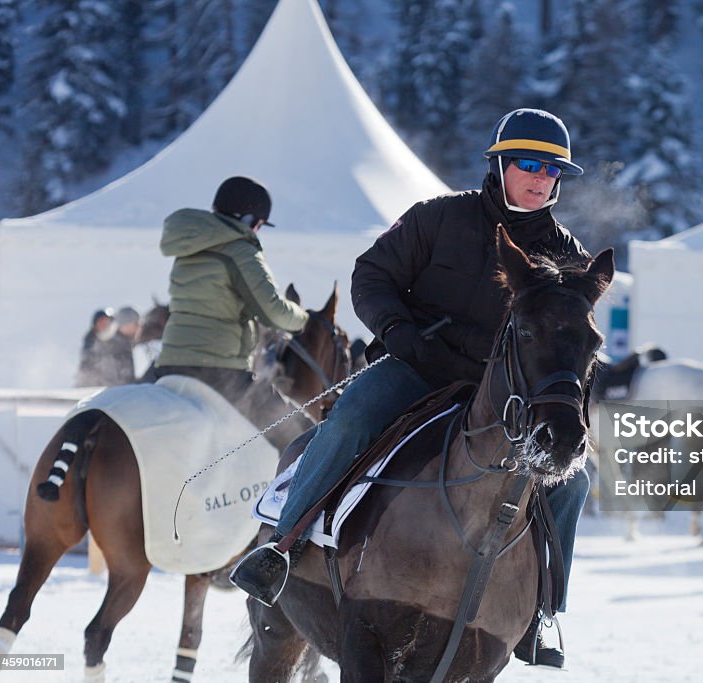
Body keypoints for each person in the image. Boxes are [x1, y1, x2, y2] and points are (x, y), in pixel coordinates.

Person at [231, 109, 591, 668]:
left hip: (500, 398)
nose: (541, 177)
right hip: (416, 369)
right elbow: (371, 275)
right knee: (351, 421)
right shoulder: (438, 217)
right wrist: (396, 329)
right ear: (499, 165)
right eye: (528, 163)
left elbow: (567, 341)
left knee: (573, 480)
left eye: (552, 169)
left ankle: (543, 611)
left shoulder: (566, 253)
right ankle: (281, 549)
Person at [153, 176, 313, 452]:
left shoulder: (188, 248)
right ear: (249, 219)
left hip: (169, 364)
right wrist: (304, 319)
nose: (259, 231)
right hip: (218, 370)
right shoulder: (241, 250)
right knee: (302, 435)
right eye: (260, 224)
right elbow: (273, 312)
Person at [74, 308, 115, 386]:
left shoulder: (117, 340)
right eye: (100, 322)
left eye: (106, 322)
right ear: (95, 325)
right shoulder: (90, 340)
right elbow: (87, 362)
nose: (104, 325)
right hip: (92, 383)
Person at [105, 306, 141, 386]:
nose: (139, 327)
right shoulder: (118, 346)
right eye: (136, 323)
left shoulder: (124, 342)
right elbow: (123, 379)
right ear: (126, 325)